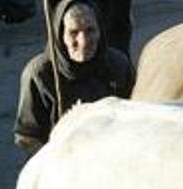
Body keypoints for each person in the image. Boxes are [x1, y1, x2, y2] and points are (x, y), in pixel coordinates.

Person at [13, 0, 135, 156]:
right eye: (73, 32)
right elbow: (27, 136)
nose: (83, 42)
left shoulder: (118, 65)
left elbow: (134, 117)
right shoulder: (39, 74)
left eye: (90, 30)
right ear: (60, 35)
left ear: (100, 32)